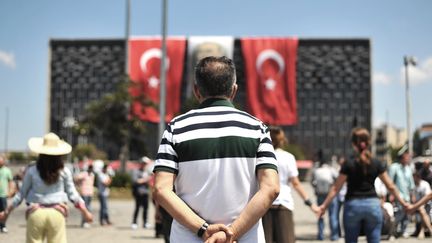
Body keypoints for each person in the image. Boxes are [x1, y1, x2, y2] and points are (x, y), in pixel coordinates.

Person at [152, 56, 280, 243]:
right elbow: (271, 188)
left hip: (189, 237)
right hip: (244, 238)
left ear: (197, 90)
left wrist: (204, 230)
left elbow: (160, 190)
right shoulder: (257, 128)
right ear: (234, 90)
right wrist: (231, 233)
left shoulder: (176, 128)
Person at [316, 127, 409, 243]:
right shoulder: (376, 163)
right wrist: (403, 203)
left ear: (353, 144)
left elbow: (336, 188)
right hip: (373, 206)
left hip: (353, 206)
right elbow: (391, 186)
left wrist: (324, 206)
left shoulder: (348, 164)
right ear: (369, 142)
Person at [0, 132, 92, 243]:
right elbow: (73, 195)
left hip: (35, 213)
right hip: (57, 214)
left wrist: (6, 212)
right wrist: (85, 211)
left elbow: (21, 194)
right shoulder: (64, 171)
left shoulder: (32, 170)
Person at [262, 126, 318, 243]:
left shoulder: (260, 156)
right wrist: (310, 204)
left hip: (264, 205)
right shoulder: (288, 157)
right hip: (283, 204)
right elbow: (296, 184)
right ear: (282, 140)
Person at [312, 156, 339, 241]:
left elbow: (312, 182)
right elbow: (338, 179)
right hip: (330, 194)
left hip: (320, 195)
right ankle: (334, 236)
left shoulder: (316, 171)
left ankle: (320, 235)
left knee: (320, 215)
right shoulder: (331, 170)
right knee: (333, 215)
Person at [388, 151, 415, 238]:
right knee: (398, 214)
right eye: (406, 157)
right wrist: (391, 194)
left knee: (406, 215)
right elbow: (390, 182)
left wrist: (412, 195)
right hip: (398, 196)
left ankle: (403, 231)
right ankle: (393, 231)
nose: (408, 159)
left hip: (406, 196)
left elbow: (411, 184)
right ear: (401, 158)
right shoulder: (394, 167)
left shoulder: (408, 169)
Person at [131, 156, 152, 229]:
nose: (145, 165)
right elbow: (136, 181)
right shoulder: (136, 171)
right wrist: (146, 179)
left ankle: (145, 222)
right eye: (144, 163)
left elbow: (150, 182)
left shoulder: (147, 172)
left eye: (146, 164)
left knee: (146, 208)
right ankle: (134, 222)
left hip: (146, 192)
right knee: (137, 208)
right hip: (138, 192)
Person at [410, 172, 432, 237]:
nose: (413, 179)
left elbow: (428, 197)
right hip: (418, 206)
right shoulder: (413, 186)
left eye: (414, 178)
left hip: (428, 205)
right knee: (422, 210)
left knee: (422, 211)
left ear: (418, 177)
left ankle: (422, 231)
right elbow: (413, 198)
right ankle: (429, 229)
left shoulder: (425, 184)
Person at [0, 153, 14, 233]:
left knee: (4, 211)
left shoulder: (7, 171)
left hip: (3, 195)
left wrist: (10, 191)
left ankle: (3, 226)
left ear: (4, 161)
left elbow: (10, 182)